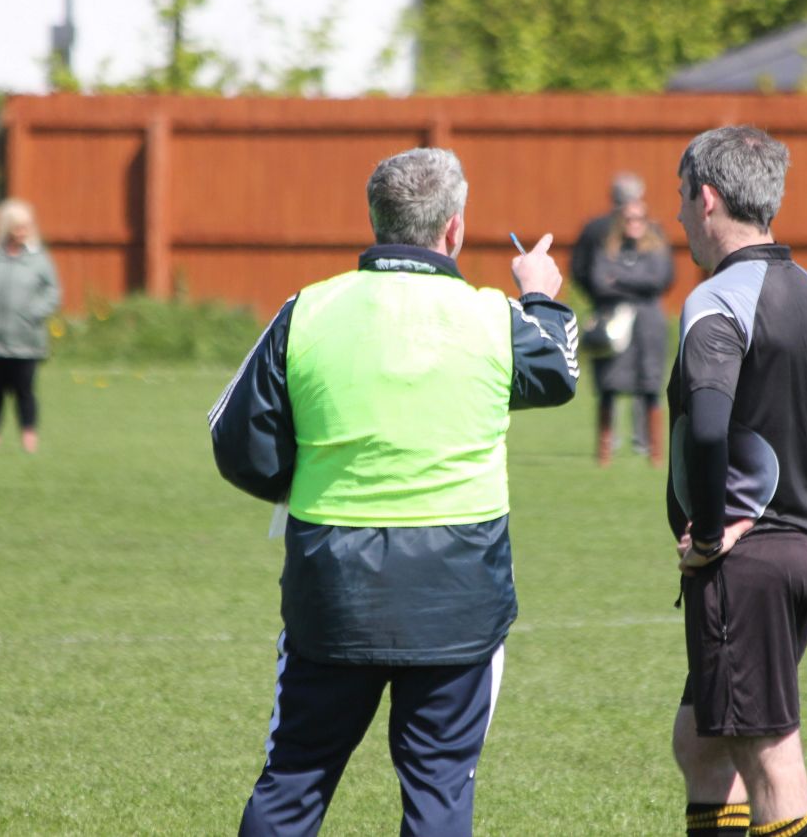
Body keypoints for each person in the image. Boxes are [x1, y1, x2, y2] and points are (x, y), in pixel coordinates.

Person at [208, 147, 578, 836]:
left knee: (293, 779)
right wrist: (539, 295)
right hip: (458, 590)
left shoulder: (308, 310)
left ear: (376, 220)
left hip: (332, 582)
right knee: (439, 789)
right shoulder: (491, 318)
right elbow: (558, 372)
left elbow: (237, 440)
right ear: (456, 229)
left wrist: (309, 482)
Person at [665, 126, 807, 837]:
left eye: (679, 199)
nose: (676, 218)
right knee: (700, 740)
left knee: (770, 756)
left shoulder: (715, 302)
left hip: (746, 568)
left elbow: (706, 426)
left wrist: (710, 531)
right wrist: (794, 488)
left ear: (706, 198)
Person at [571, 172, 674, 466]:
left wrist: (619, 280)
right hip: (611, 318)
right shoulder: (601, 234)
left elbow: (659, 278)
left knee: (648, 382)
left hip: (648, 324)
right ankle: (607, 446)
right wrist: (611, 290)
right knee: (610, 382)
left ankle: (648, 446)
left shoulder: (655, 238)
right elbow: (594, 276)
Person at [0, 198, 61, 454]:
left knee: (25, 391)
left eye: (26, 226)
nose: (22, 232)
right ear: (6, 228)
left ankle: (29, 442)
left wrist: (33, 314)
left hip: (26, 340)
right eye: (17, 227)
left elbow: (53, 292)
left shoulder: (39, 260)